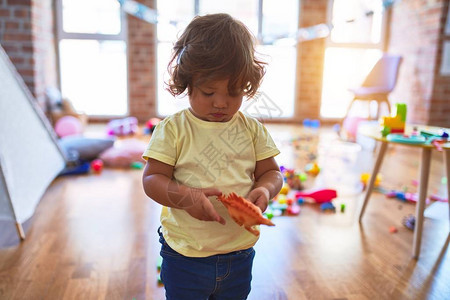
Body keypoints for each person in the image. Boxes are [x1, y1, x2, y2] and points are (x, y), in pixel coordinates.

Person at [142, 13, 283, 300]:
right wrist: (185, 197)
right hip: (185, 255)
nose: (221, 102)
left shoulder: (251, 129)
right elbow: (153, 179)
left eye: (233, 92)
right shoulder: (173, 129)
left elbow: (272, 172)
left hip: (240, 252)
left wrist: (265, 190)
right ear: (188, 82)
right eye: (209, 92)